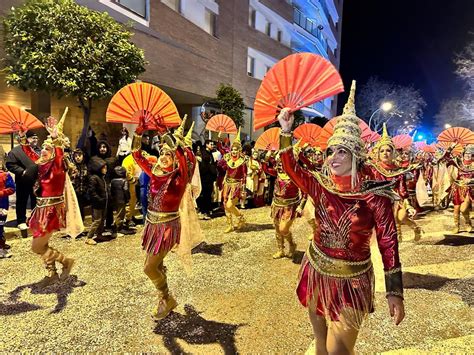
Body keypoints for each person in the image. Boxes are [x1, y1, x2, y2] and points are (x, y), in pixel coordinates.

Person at [277, 82, 404, 354]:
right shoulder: (321, 184)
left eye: (342, 151)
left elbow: (388, 242)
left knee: (340, 352)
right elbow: (291, 168)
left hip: (352, 279)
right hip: (316, 269)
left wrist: (395, 290)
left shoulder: (374, 194)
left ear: (356, 155)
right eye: (331, 151)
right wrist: (285, 132)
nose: (334, 157)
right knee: (321, 347)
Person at [132, 116, 196, 320]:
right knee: (156, 265)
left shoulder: (179, 177)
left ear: (176, 159)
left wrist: (165, 134)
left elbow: (186, 160)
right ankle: (163, 299)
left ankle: (167, 298)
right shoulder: (154, 172)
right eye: (162, 152)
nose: (164, 155)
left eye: (169, 154)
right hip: (151, 224)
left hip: (167, 226)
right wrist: (138, 133)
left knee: (148, 267)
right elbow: (136, 154)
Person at [27, 117, 75, 286]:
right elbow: (30, 155)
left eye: (48, 149)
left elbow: (59, 155)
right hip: (40, 209)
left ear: (54, 152)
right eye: (43, 148)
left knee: (36, 247)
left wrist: (55, 138)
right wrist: (22, 138)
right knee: (43, 244)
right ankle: (51, 273)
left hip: (51, 211)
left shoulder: (57, 166)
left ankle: (66, 261)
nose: (43, 151)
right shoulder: (42, 166)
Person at [368, 125, 423, 242]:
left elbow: (402, 189)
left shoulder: (398, 171)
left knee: (401, 217)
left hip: (397, 199)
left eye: (388, 150)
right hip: (380, 201)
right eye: (382, 151)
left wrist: (408, 206)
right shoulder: (373, 169)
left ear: (393, 153)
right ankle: (396, 238)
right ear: (377, 153)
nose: (385, 153)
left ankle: (415, 228)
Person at [263, 154, 306, 259]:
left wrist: (301, 206)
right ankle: (280, 250)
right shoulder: (277, 173)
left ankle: (292, 244)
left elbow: (305, 192)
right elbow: (265, 168)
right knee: (277, 228)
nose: (281, 166)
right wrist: (266, 158)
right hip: (277, 204)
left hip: (290, 205)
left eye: (283, 164)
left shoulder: (295, 175)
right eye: (279, 164)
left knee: (283, 229)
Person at [6, 130, 40, 237]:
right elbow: (10, 164)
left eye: (36, 138)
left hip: (37, 181)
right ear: (26, 139)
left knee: (36, 201)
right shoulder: (16, 151)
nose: (35, 140)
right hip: (23, 180)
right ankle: (21, 221)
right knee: (22, 200)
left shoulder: (39, 151)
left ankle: (35, 220)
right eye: (32, 138)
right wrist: (22, 171)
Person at [218, 128, 247, 233]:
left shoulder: (242, 162)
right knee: (226, 205)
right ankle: (230, 225)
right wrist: (219, 138)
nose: (234, 152)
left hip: (236, 186)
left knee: (230, 205)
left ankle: (241, 217)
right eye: (233, 150)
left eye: (236, 150)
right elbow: (221, 148)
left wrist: (243, 189)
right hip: (227, 184)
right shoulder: (228, 159)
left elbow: (244, 176)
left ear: (239, 151)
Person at [442, 144, 473, 233]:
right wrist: (451, 147)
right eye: (466, 153)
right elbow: (445, 159)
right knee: (456, 208)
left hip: (469, 189)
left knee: (463, 209)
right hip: (457, 188)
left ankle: (468, 223)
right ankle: (456, 226)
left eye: (470, 154)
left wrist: (470, 180)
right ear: (463, 154)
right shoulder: (458, 162)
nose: (468, 155)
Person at [86, 156, 111, 245]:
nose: (106, 169)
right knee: (97, 220)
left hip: (104, 202)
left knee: (102, 220)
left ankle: (99, 234)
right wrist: (99, 199)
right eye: (104, 168)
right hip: (97, 203)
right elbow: (92, 192)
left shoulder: (102, 178)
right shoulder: (94, 178)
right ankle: (89, 237)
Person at [197, 139, 217, 219]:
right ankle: (204, 211)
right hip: (204, 176)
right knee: (204, 194)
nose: (212, 146)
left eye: (213, 144)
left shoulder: (210, 153)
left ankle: (207, 210)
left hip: (209, 177)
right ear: (206, 144)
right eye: (211, 144)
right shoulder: (203, 153)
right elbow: (204, 165)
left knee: (208, 194)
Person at [0, 161, 15, 258]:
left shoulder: (5, 175)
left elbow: (12, 188)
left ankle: (1, 245)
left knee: (0, 224)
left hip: (2, 205)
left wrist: (1, 193)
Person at [110, 166, 131, 235]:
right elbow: (126, 190)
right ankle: (118, 228)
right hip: (122, 200)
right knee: (121, 214)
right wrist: (128, 198)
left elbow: (111, 191)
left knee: (117, 213)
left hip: (114, 200)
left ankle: (116, 227)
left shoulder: (112, 181)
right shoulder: (124, 181)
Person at [71, 148, 90, 221]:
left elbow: (88, 180)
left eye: (79, 155)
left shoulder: (86, 167)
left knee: (81, 211)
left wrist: (87, 190)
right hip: (74, 193)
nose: (78, 157)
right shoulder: (72, 167)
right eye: (76, 156)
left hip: (83, 193)